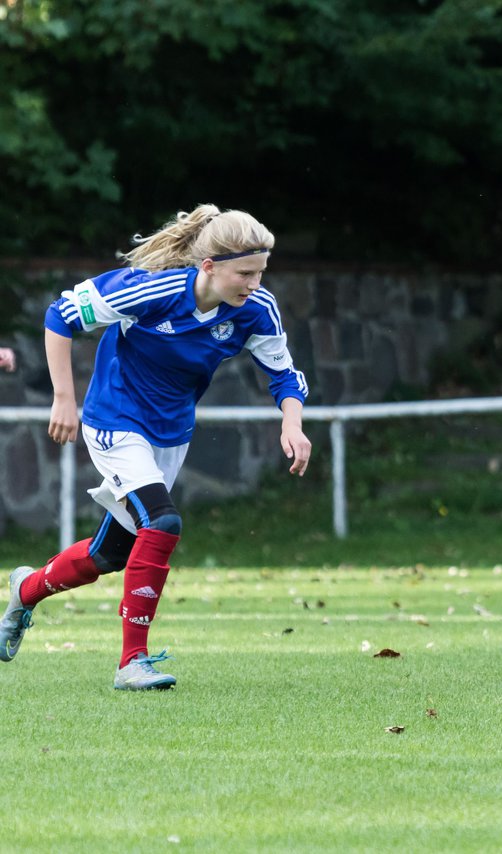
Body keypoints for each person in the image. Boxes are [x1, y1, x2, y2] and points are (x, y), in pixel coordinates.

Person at [0, 205, 311, 690]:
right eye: (244, 273)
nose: (254, 284)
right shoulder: (154, 289)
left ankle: (25, 589)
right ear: (208, 266)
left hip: (170, 434)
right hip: (114, 420)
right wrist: (65, 399)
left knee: (109, 556)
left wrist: (292, 423)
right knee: (163, 521)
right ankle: (132, 663)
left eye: (260, 273)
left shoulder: (256, 309)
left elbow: (284, 374)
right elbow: (60, 316)